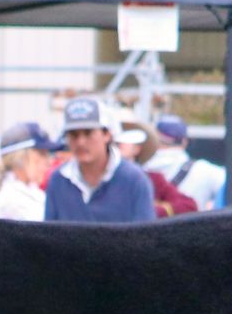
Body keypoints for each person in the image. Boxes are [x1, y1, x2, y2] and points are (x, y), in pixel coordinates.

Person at [43, 95, 152, 223]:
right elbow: (49, 231)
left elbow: (145, 232)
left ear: (107, 135)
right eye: (73, 134)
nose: (81, 142)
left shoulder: (134, 180)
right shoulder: (58, 180)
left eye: (88, 133)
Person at [144, 116, 223, 211]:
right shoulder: (206, 171)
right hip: (193, 219)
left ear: (152, 140)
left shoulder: (139, 168)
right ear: (184, 141)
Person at [0, 121, 54, 221]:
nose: (49, 162)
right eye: (41, 154)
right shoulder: (11, 199)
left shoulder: (32, 191)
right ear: (20, 158)